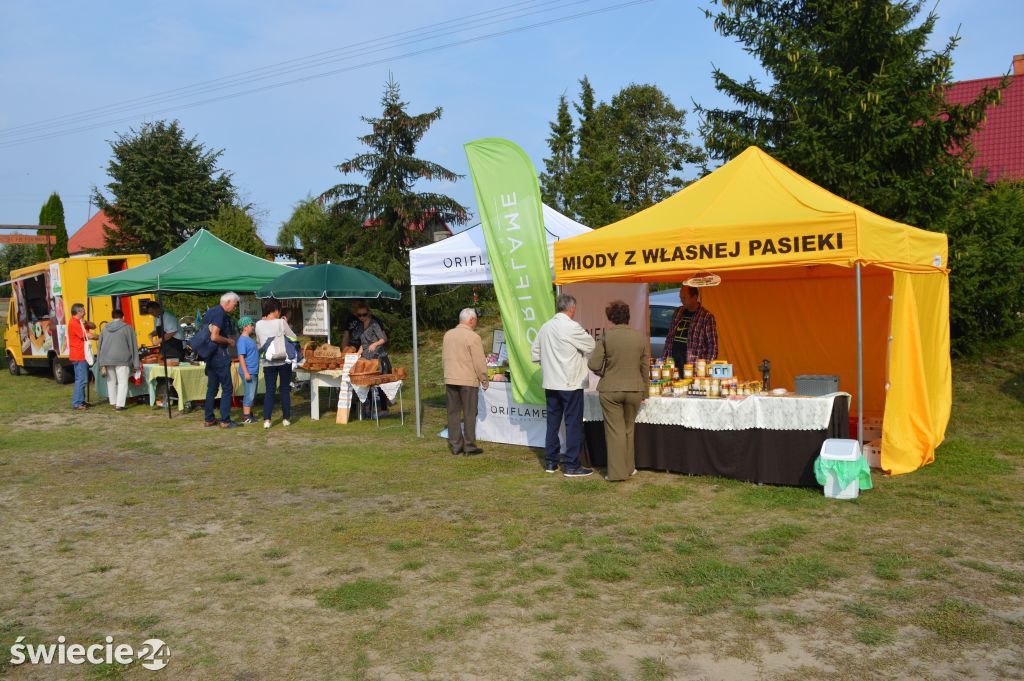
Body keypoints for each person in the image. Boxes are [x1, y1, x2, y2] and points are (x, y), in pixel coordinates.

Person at [531, 293, 596, 477]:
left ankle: (551, 462)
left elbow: (535, 353)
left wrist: (548, 363)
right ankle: (571, 465)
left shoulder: (546, 327)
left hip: (551, 382)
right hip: (570, 382)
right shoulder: (572, 327)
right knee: (572, 423)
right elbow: (591, 346)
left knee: (552, 423)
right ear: (572, 309)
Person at [588, 301, 648, 481]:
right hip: (635, 389)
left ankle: (617, 473)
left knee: (615, 431)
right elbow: (645, 367)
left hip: (611, 389)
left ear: (611, 318)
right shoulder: (639, 337)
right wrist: (645, 392)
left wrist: (604, 370)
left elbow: (593, 364)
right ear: (627, 317)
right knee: (629, 429)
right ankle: (630, 468)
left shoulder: (606, 337)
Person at [442, 308, 489, 456]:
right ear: (471, 320)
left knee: (453, 413)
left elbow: (444, 358)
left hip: (450, 378)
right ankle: (469, 446)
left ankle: (455, 445)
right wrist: (484, 379)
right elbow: (479, 362)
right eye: (475, 320)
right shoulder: (473, 337)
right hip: (468, 380)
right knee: (469, 413)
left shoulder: (448, 335)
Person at [256, 299, 297, 429]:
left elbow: (260, 342)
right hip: (283, 359)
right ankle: (286, 418)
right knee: (284, 389)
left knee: (270, 390)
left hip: (268, 361)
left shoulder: (258, 324)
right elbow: (294, 337)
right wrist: (285, 324)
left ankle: (267, 420)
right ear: (276, 310)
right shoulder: (281, 322)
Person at [202, 292, 240, 429]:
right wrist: (228, 340)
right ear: (228, 302)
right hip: (219, 354)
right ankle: (225, 420)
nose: (235, 308)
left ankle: (209, 419)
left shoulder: (210, 311)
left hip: (210, 354)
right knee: (227, 388)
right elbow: (214, 336)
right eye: (235, 305)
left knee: (212, 388)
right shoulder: (220, 314)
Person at [662, 286, 718, 367]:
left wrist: (706, 367)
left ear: (694, 297)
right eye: (680, 298)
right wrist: (664, 359)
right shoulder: (678, 312)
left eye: (684, 298)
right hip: (673, 366)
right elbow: (669, 338)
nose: (681, 301)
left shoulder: (706, 317)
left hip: (694, 367)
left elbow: (713, 346)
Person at [96, 309, 140, 411]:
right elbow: (133, 346)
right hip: (123, 359)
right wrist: (136, 364)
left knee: (110, 381)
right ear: (123, 317)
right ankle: (119, 405)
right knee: (122, 382)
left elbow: (99, 346)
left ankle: (114, 402)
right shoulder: (128, 328)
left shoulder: (104, 329)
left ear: (112, 317)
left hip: (106, 359)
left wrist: (99, 361)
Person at [356, 303, 390, 416]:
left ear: (368, 313)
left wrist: (375, 344)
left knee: (379, 383)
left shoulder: (374, 324)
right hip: (366, 359)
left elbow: (384, 339)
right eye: (359, 315)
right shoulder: (360, 326)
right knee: (368, 383)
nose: (361, 317)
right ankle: (369, 409)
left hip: (378, 358)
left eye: (364, 315)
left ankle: (384, 409)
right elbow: (363, 344)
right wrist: (358, 353)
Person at [67, 303, 97, 411]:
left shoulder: (80, 322)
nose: (85, 312)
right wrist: (101, 337)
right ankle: (77, 403)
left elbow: (94, 326)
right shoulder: (74, 323)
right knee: (81, 380)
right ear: (78, 312)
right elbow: (88, 335)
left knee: (82, 379)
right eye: (83, 310)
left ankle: (81, 401)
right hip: (79, 355)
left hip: (80, 355)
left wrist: (86, 322)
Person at [235, 316, 260, 425]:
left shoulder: (249, 339)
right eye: (251, 325)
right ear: (245, 327)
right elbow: (241, 357)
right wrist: (246, 373)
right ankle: (246, 416)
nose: (252, 327)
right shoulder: (242, 340)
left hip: (253, 370)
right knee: (249, 394)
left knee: (252, 394)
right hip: (248, 371)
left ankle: (249, 414)